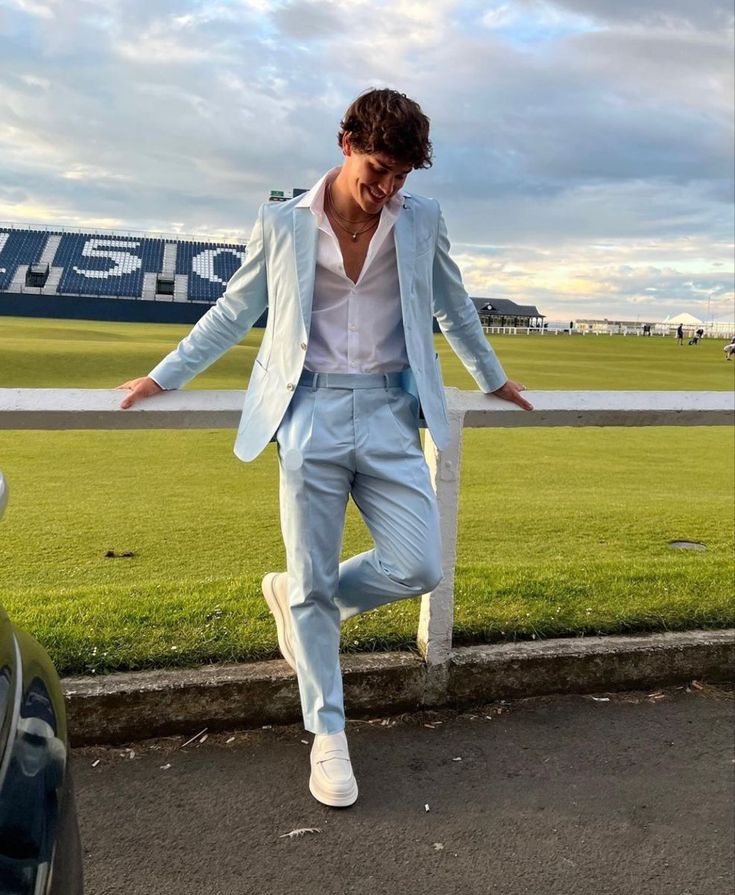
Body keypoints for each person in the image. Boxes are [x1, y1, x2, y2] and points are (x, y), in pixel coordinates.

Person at [116, 88, 532, 808]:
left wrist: (491, 378)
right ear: (345, 142)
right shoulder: (283, 222)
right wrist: (163, 375)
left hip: (390, 414)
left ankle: (302, 600)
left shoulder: (420, 220)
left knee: (418, 563)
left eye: (401, 177)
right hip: (305, 409)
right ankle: (328, 733)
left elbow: (451, 304)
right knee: (311, 573)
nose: (386, 190)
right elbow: (233, 310)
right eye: (378, 170)